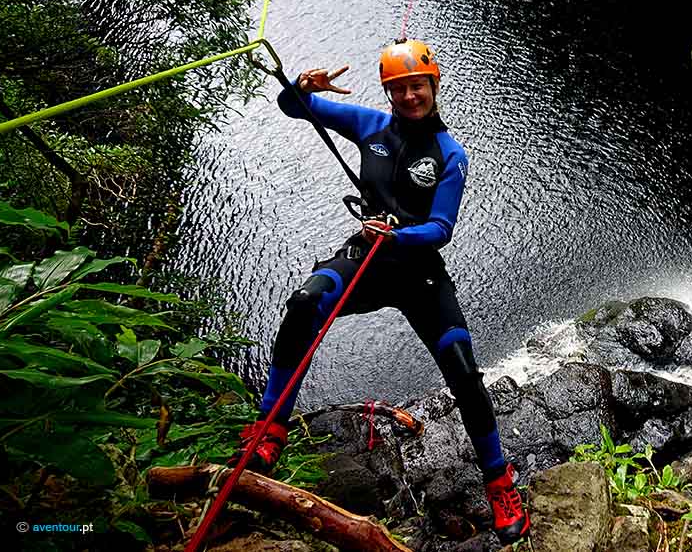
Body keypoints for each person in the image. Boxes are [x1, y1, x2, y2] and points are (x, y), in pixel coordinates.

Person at [226, 39, 530, 544]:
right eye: (400, 88)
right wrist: (301, 88)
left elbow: (441, 228)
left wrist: (395, 235)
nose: (411, 96)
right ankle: (270, 429)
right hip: (366, 258)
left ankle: (499, 481)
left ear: (434, 87)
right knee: (305, 304)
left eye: (419, 86)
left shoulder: (450, 155)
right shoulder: (370, 127)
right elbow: (292, 108)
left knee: (461, 366)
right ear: (389, 92)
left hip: (415, 271)